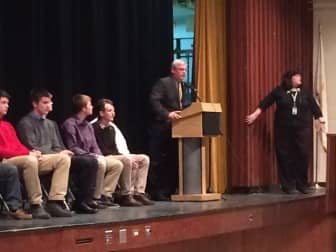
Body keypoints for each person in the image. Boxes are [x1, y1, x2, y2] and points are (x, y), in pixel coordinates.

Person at [16, 89, 99, 214]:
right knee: (66, 159)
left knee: (90, 161)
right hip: (39, 159)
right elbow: (31, 146)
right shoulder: (25, 123)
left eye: (50, 102)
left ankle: (82, 201)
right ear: (35, 104)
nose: (49, 105)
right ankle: (55, 201)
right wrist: (58, 154)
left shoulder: (51, 124)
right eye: (45, 102)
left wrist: (62, 151)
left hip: (56, 158)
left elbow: (58, 145)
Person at [246, 70, 325, 194]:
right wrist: (255, 115)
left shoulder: (305, 92)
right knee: (285, 156)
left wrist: (320, 120)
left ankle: (301, 184)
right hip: (283, 129)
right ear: (290, 78)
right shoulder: (279, 91)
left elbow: (314, 106)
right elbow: (266, 102)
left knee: (303, 155)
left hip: (302, 129)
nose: (300, 78)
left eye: (300, 75)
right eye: (297, 76)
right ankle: (287, 185)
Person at [0, 89, 71, 218]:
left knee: (63, 159)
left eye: (7, 103)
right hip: (4, 160)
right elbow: (2, 151)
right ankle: (36, 204)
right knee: (30, 160)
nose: (7, 106)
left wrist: (30, 152)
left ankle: (55, 201)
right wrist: (28, 153)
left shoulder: (7, 125)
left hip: (20, 158)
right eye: (3, 102)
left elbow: (18, 145)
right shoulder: (25, 122)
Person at [61, 94, 123, 207]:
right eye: (89, 104)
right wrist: (92, 155)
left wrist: (99, 155)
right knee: (99, 162)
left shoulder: (88, 126)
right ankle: (95, 197)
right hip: (79, 157)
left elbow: (95, 146)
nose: (92, 107)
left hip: (91, 156)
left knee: (116, 165)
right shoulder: (70, 124)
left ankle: (106, 195)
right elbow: (72, 146)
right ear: (83, 108)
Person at [92, 98, 153, 206]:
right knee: (126, 159)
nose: (113, 113)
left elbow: (115, 149)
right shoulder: (94, 128)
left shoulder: (111, 128)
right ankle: (125, 194)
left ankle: (138, 192)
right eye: (110, 111)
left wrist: (127, 157)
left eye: (113, 111)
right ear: (101, 113)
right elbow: (100, 149)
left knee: (143, 158)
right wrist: (124, 158)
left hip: (114, 155)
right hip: (102, 156)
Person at [148, 59, 187, 201]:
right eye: (181, 69)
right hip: (160, 128)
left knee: (172, 160)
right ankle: (156, 191)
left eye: (185, 70)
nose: (184, 73)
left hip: (176, 129)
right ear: (173, 70)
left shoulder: (183, 86)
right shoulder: (163, 83)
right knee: (158, 161)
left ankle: (170, 189)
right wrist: (167, 114)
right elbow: (154, 101)